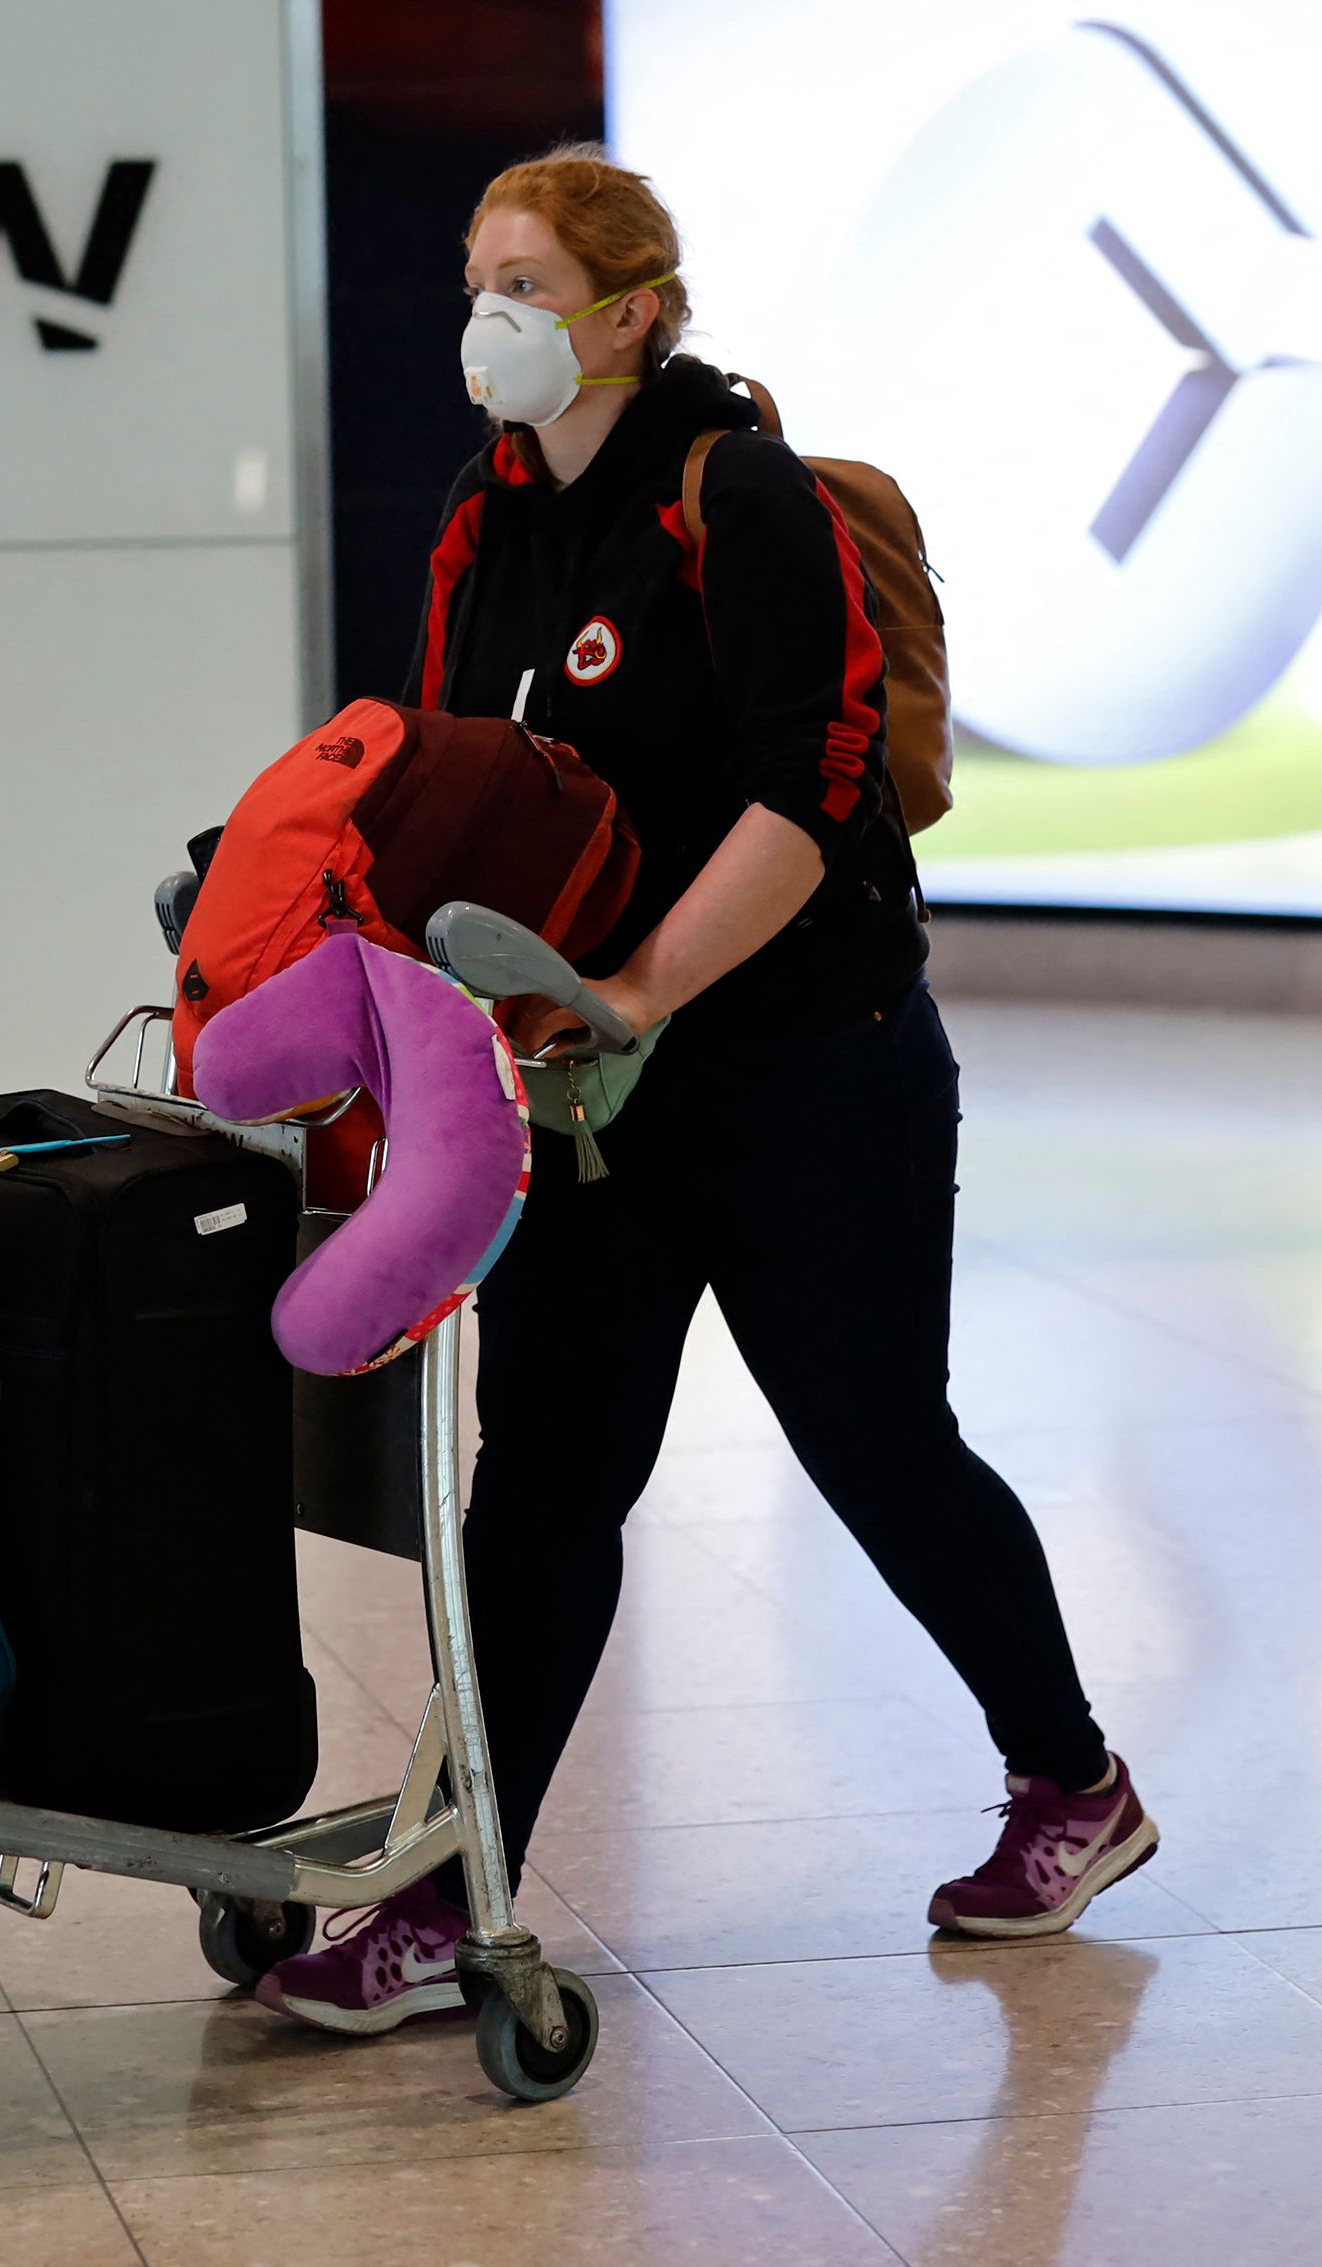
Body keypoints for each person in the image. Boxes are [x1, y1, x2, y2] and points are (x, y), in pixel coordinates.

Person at [255, 147, 1156, 2036]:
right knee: (544, 1485)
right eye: (478, 279)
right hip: (593, 1099)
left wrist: (645, 984)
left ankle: (1072, 1782)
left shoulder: (734, 494)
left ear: (632, 312)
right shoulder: (487, 512)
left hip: (809, 1067)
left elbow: (813, 793)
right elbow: (448, 775)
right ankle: (455, 1890)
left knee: (877, 1446)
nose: (488, 317)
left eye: (525, 285)